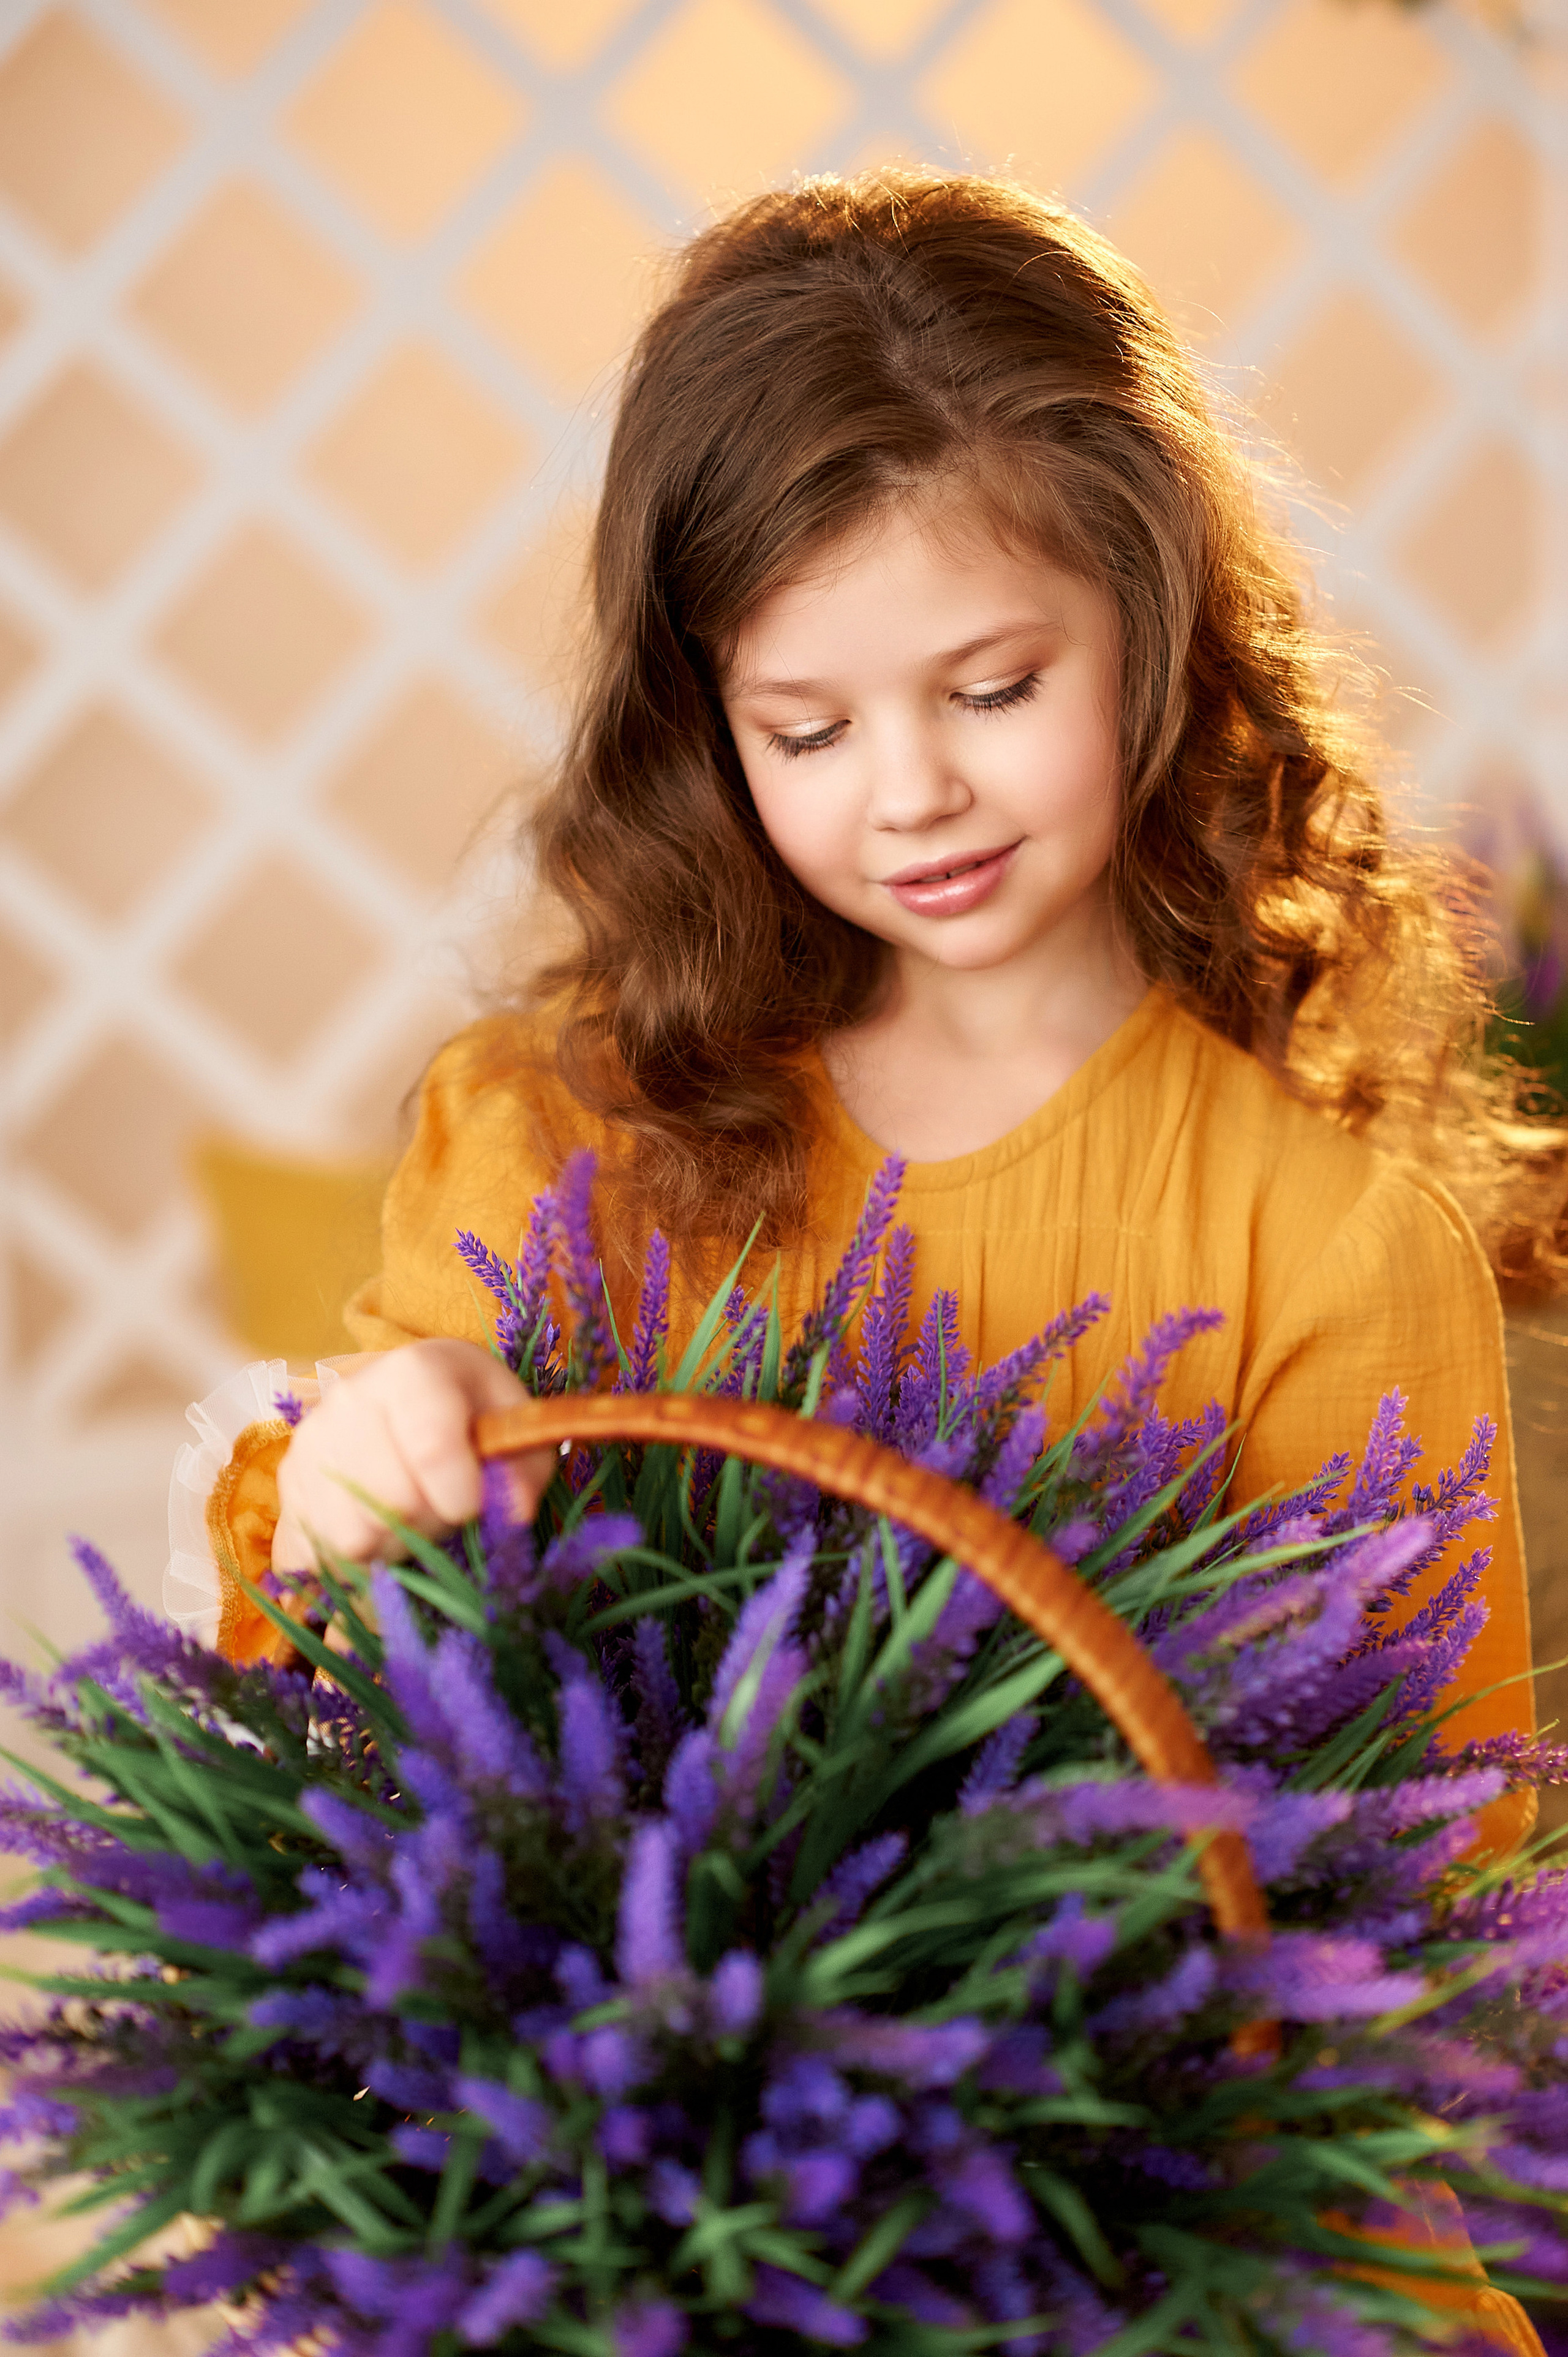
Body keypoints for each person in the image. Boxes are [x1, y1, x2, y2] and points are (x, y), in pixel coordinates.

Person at [176, 171, 1557, 1843]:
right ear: (704, 731)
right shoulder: (548, 1136)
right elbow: (340, 1713)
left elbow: (1429, 1877)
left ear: (1161, 627)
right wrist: (358, 1479)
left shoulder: (1331, 1248)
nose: (912, 793)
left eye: (991, 690)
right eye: (807, 731)